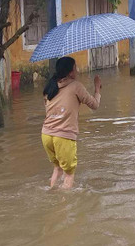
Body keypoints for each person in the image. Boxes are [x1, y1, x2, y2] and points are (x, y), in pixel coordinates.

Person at [41, 56, 101, 189]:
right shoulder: (76, 86)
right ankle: (64, 206)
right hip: (63, 136)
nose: (78, 71)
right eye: (75, 68)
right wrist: (97, 88)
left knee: (57, 168)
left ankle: (52, 194)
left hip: (46, 135)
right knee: (69, 174)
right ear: (70, 72)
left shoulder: (50, 87)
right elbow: (95, 105)